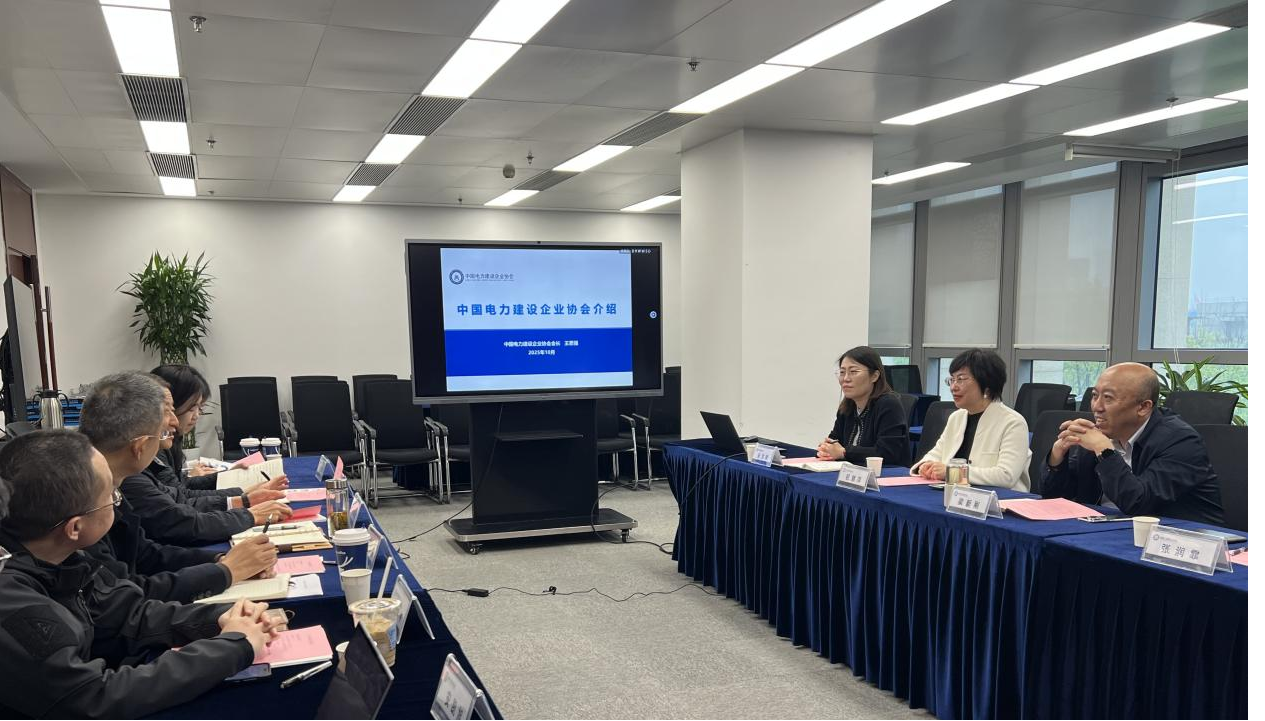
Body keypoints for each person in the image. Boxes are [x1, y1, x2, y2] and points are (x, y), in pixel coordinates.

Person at [0, 429, 280, 718]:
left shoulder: (59, 558)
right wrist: (232, 648)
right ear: (75, 527)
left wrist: (218, 619)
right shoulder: (13, 603)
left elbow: (125, 615)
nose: (117, 500)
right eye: (111, 496)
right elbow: (94, 698)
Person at [78, 372, 279, 603]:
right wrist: (226, 571)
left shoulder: (109, 482)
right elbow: (124, 600)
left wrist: (222, 561)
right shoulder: (87, 502)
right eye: (166, 415)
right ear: (140, 446)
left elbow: (146, 555)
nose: (173, 422)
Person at [1041, 362, 1225, 524]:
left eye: (1108, 398)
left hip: (1175, 540)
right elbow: (1056, 499)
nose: (1097, 407)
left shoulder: (1180, 441)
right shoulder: (1102, 433)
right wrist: (1058, 456)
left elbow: (1138, 504)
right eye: (1095, 395)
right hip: (1105, 531)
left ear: (1143, 407)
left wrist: (1104, 451)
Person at [911, 349, 1031, 490]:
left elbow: (1006, 475)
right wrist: (926, 465)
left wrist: (951, 473)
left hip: (1001, 500)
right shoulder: (956, 417)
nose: (953, 387)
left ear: (987, 386)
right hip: (958, 495)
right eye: (952, 380)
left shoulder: (1013, 422)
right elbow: (937, 452)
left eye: (961, 379)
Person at [816, 346, 911, 467]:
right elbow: (834, 441)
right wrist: (826, 449)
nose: (846, 379)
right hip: (852, 473)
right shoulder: (847, 406)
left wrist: (844, 452)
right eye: (842, 372)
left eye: (853, 372)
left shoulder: (889, 404)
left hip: (888, 474)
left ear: (874, 376)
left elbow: (887, 453)